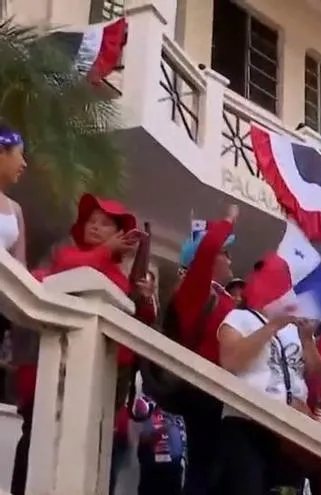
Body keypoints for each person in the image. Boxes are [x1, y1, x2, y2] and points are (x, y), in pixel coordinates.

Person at [11, 193, 155, 495]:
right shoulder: (65, 251)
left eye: (105, 224)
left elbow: (133, 324)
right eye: (92, 221)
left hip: (103, 377)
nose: (96, 227)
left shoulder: (120, 275)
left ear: (119, 234)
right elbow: (68, 268)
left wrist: (144, 299)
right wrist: (106, 250)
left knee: (88, 450)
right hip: (52, 368)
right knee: (37, 438)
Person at [213, 265, 321, 495]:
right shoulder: (239, 318)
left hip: (291, 429)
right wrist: (272, 326)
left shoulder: (295, 329)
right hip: (248, 421)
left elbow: (319, 376)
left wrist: (307, 340)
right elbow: (231, 360)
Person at [163, 204, 238, 495]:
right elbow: (207, 248)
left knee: (220, 474)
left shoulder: (223, 295)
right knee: (203, 473)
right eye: (225, 251)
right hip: (201, 392)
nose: (229, 258)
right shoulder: (193, 289)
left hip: (224, 395)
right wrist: (228, 220)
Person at [0, 124, 26, 262]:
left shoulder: (15, 210)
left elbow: (21, 269)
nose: (24, 164)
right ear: (2, 151)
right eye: (20, 154)